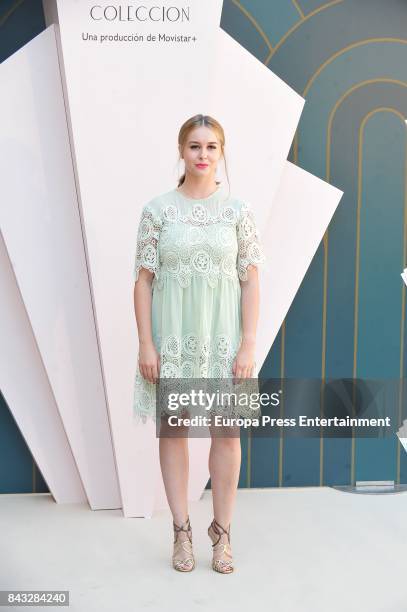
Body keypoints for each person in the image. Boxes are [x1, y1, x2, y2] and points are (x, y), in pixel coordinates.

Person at [132, 114, 266, 573]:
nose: (203, 155)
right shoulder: (157, 210)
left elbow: (250, 281)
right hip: (173, 340)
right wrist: (146, 344)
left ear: (222, 152)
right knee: (175, 432)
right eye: (194, 146)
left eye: (211, 146)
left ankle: (223, 535)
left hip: (225, 341)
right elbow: (143, 281)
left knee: (227, 434)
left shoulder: (237, 212)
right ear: (181, 151)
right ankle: (182, 531)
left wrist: (248, 344)